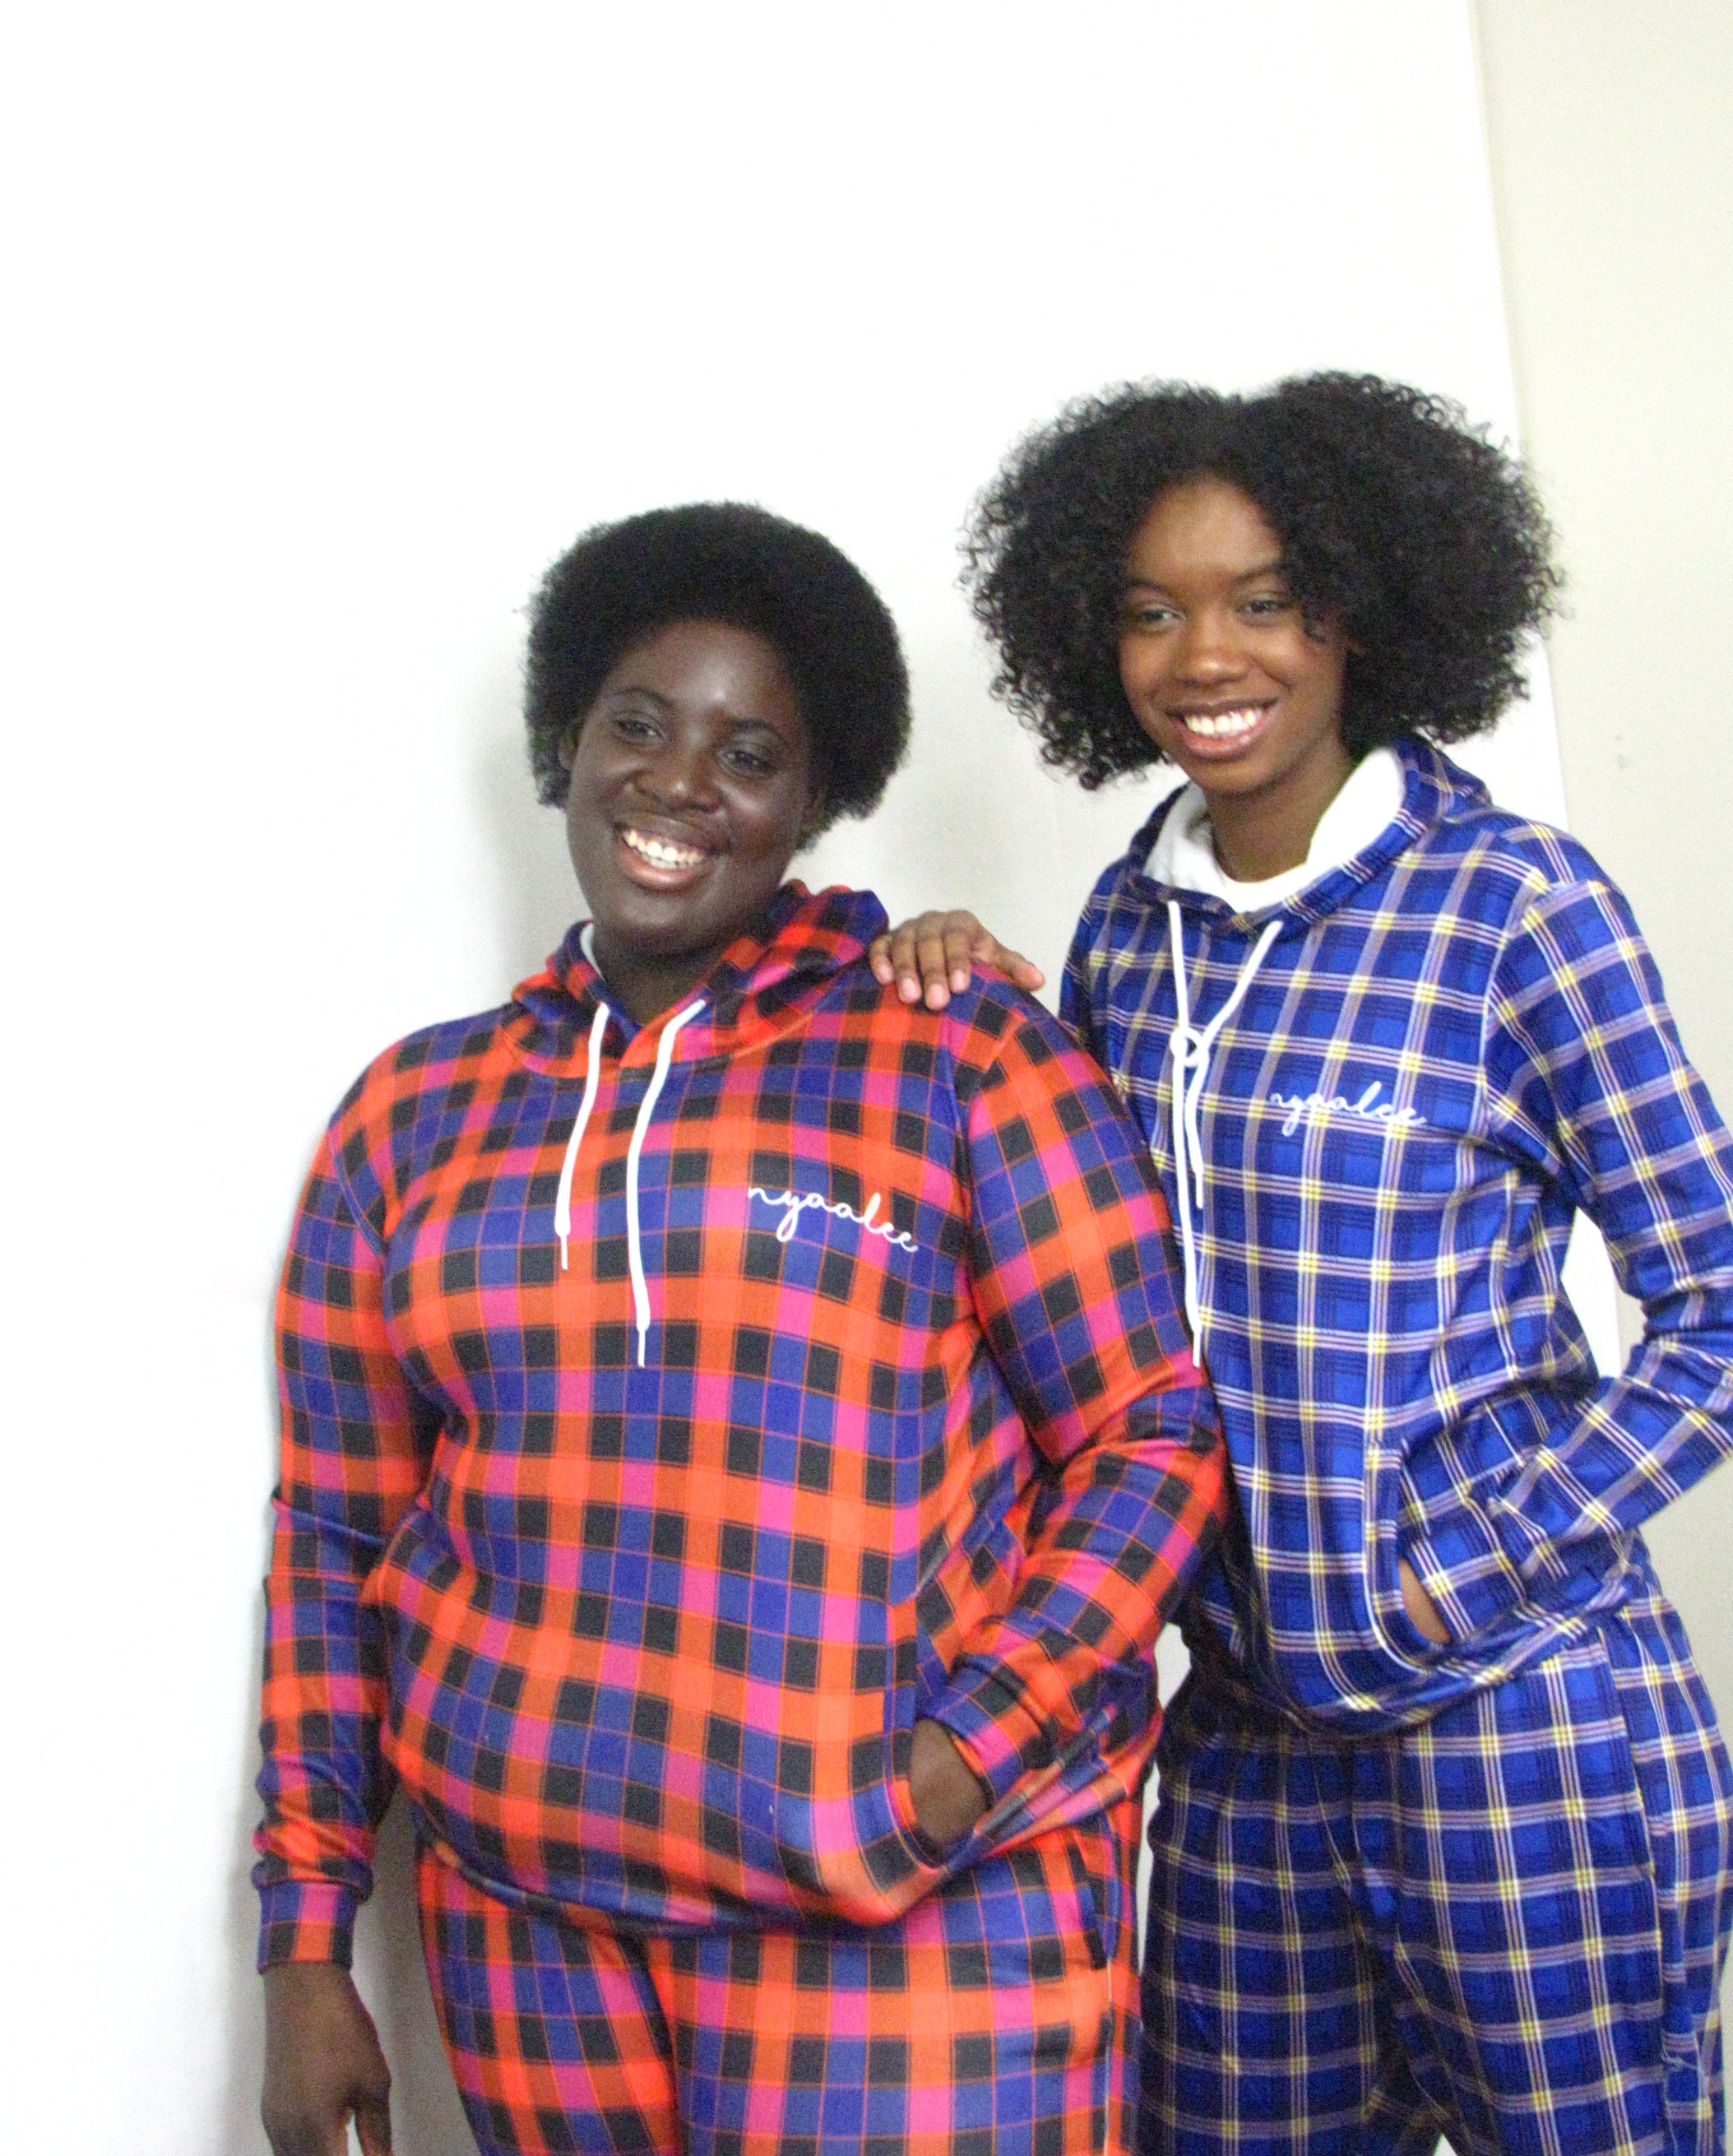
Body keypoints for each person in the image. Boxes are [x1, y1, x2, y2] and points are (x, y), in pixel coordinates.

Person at [253, 500, 1230, 2156]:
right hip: (532, 1936)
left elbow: (1151, 1432)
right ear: (566, 740)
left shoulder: (955, 1050)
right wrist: (304, 1941)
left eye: (749, 751)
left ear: (814, 802)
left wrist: (958, 1759)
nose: (679, 783)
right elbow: (339, 1525)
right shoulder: (415, 1115)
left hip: (917, 1920)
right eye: (638, 725)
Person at [871, 374, 1733, 2156]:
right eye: (1150, 609)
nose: (1206, 654)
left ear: (1364, 608)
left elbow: (1722, 1304)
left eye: (1265, 600)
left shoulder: (1512, 905)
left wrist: (1471, 1562)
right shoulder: (1125, 924)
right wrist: (971, 977)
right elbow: (1102, 1287)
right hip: (1248, 1737)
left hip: (1515, 1728)